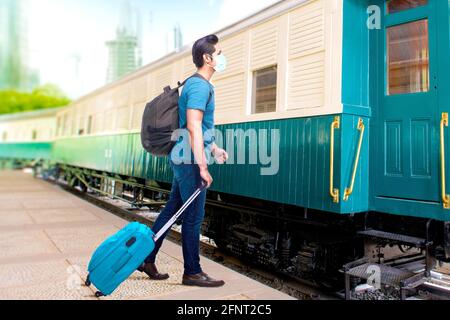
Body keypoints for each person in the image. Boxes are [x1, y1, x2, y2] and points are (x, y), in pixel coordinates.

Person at [138, 34, 229, 287]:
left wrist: (214, 149)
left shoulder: (196, 84)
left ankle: (147, 257)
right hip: (188, 160)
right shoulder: (200, 86)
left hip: (184, 156)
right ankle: (192, 272)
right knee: (193, 217)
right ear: (207, 58)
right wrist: (202, 166)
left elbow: (201, 127)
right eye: (219, 53)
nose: (222, 58)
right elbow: (193, 126)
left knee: (171, 210)